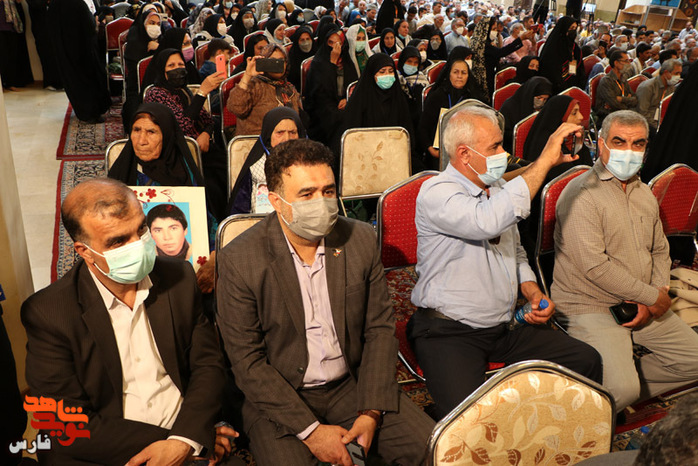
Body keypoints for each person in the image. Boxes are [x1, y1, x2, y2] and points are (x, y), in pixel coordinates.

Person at [216, 138, 436, 466]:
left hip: (351, 385)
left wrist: (371, 412)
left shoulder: (359, 239)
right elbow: (247, 362)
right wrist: (312, 432)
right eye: (307, 194)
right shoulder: (240, 260)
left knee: (435, 450)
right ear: (276, 201)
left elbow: (379, 329)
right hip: (280, 396)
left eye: (328, 191)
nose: (321, 202)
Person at [407, 105, 603, 419]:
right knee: (470, 423)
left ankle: (561, 432)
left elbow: (515, 250)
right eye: (495, 147)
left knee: (585, 360)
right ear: (464, 154)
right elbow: (486, 222)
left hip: (503, 327)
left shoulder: (495, 188)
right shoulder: (437, 192)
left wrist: (531, 289)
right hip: (448, 330)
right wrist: (543, 161)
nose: (504, 154)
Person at [21, 178, 233, 465]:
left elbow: (207, 365)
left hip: (184, 432)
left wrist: (186, 436)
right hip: (107, 451)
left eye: (141, 229)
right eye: (118, 241)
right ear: (84, 251)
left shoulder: (180, 278)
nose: (139, 245)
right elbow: (64, 420)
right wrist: (181, 442)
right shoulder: (49, 313)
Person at [552, 110, 698, 412]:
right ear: (601, 144)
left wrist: (656, 292)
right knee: (622, 388)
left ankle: (607, 393)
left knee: (693, 360)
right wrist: (651, 297)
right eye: (619, 142)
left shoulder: (643, 193)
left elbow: (660, 249)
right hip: (592, 305)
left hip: (642, 301)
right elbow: (595, 267)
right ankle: (587, 410)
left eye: (638, 144)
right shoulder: (581, 194)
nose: (628, 151)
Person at [517, 94, 592, 265]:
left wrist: (580, 145)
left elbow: (588, 172)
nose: (581, 117)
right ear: (560, 117)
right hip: (545, 222)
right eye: (574, 113)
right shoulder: (544, 146)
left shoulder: (571, 141)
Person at [418, 47, 487, 170]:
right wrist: (431, 150)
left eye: (463, 73)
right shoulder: (437, 96)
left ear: (468, 76)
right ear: (449, 74)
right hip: (438, 153)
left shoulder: (474, 99)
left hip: (468, 154)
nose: (459, 76)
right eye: (455, 72)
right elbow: (423, 128)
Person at [229, 106, 305, 215]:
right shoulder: (255, 167)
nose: (287, 139)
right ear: (269, 135)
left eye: (292, 132)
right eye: (280, 132)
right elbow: (239, 211)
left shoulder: (310, 166)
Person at [48, 0, 111, 123]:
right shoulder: (77, 4)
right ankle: (91, 113)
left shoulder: (54, 6)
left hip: (66, 53)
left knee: (73, 80)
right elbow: (89, 26)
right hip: (83, 52)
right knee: (89, 79)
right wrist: (95, 23)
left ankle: (84, 112)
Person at [342, 53, 415, 154]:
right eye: (382, 72)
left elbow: (407, 131)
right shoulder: (361, 98)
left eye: (391, 71)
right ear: (372, 74)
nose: (387, 75)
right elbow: (352, 133)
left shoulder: (398, 96)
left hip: (395, 150)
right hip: (366, 151)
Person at [227, 43, 303, 136]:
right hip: (256, 140)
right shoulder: (254, 85)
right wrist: (247, 75)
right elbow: (236, 108)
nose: (277, 64)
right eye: (273, 61)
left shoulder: (289, 89)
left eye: (281, 61)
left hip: (287, 140)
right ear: (264, 62)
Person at [305, 23, 359, 147]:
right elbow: (319, 93)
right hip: (322, 107)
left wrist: (347, 99)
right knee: (335, 117)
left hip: (344, 104)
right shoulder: (318, 63)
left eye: (338, 43)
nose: (335, 47)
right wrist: (332, 63)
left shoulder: (347, 63)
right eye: (331, 43)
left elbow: (354, 87)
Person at [470, 16, 531, 101]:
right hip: (484, 79)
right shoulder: (482, 44)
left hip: (490, 74)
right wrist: (520, 39)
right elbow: (501, 52)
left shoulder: (487, 42)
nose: (496, 31)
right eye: (493, 29)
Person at [122, 8, 163, 130]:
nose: (155, 27)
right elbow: (134, 74)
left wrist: (159, 48)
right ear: (143, 24)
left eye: (158, 24)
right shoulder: (135, 41)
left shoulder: (162, 41)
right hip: (138, 89)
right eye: (152, 23)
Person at [500, 76, 553, 151]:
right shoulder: (510, 106)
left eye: (545, 99)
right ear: (530, 94)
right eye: (539, 98)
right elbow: (504, 133)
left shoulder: (544, 108)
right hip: (513, 147)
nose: (541, 101)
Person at [538, 16, 586, 93]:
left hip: (572, 87)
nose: (573, 31)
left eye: (575, 28)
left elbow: (580, 70)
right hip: (553, 88)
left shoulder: (575, 48)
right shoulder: (552, 47)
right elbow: (548, 70)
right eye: (571, 28)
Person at [635, 58, 681, 133]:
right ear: (666, 72)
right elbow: (642, 113)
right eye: (676, 73)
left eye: (679, 73)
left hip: (663, 120)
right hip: (647, 123)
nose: (678, 76)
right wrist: (659, 126)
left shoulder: (671, 87)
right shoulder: (648, 87)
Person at [594, 50, 637, 123]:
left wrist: (622, 99)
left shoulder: (623, 78)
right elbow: (615, 104)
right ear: (616, 63)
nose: (628, 64)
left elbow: (635, 99)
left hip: (623, 114)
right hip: (608, 116)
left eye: (629, 61)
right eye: (626, 61)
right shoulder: (606, 81)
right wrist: (628, 101)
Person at [0, 0, 34, 90]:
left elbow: (19, 1)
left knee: (12, 54)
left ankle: (10, 83)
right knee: (3, 55)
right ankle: (2, 84)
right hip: (1, 25)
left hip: (12, 24)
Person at [397, 45, 429, 132]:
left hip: (419, 122)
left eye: (415, 63)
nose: (412, 65)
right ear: (403, 61)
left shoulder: (422, 79)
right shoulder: (396, 79)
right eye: (409, 62)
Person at [288, 25, 315, 91]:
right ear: (297, 42)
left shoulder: (316, 52)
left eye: (308, 39)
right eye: (302, 40)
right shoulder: (291, 58)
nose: (306, 43)